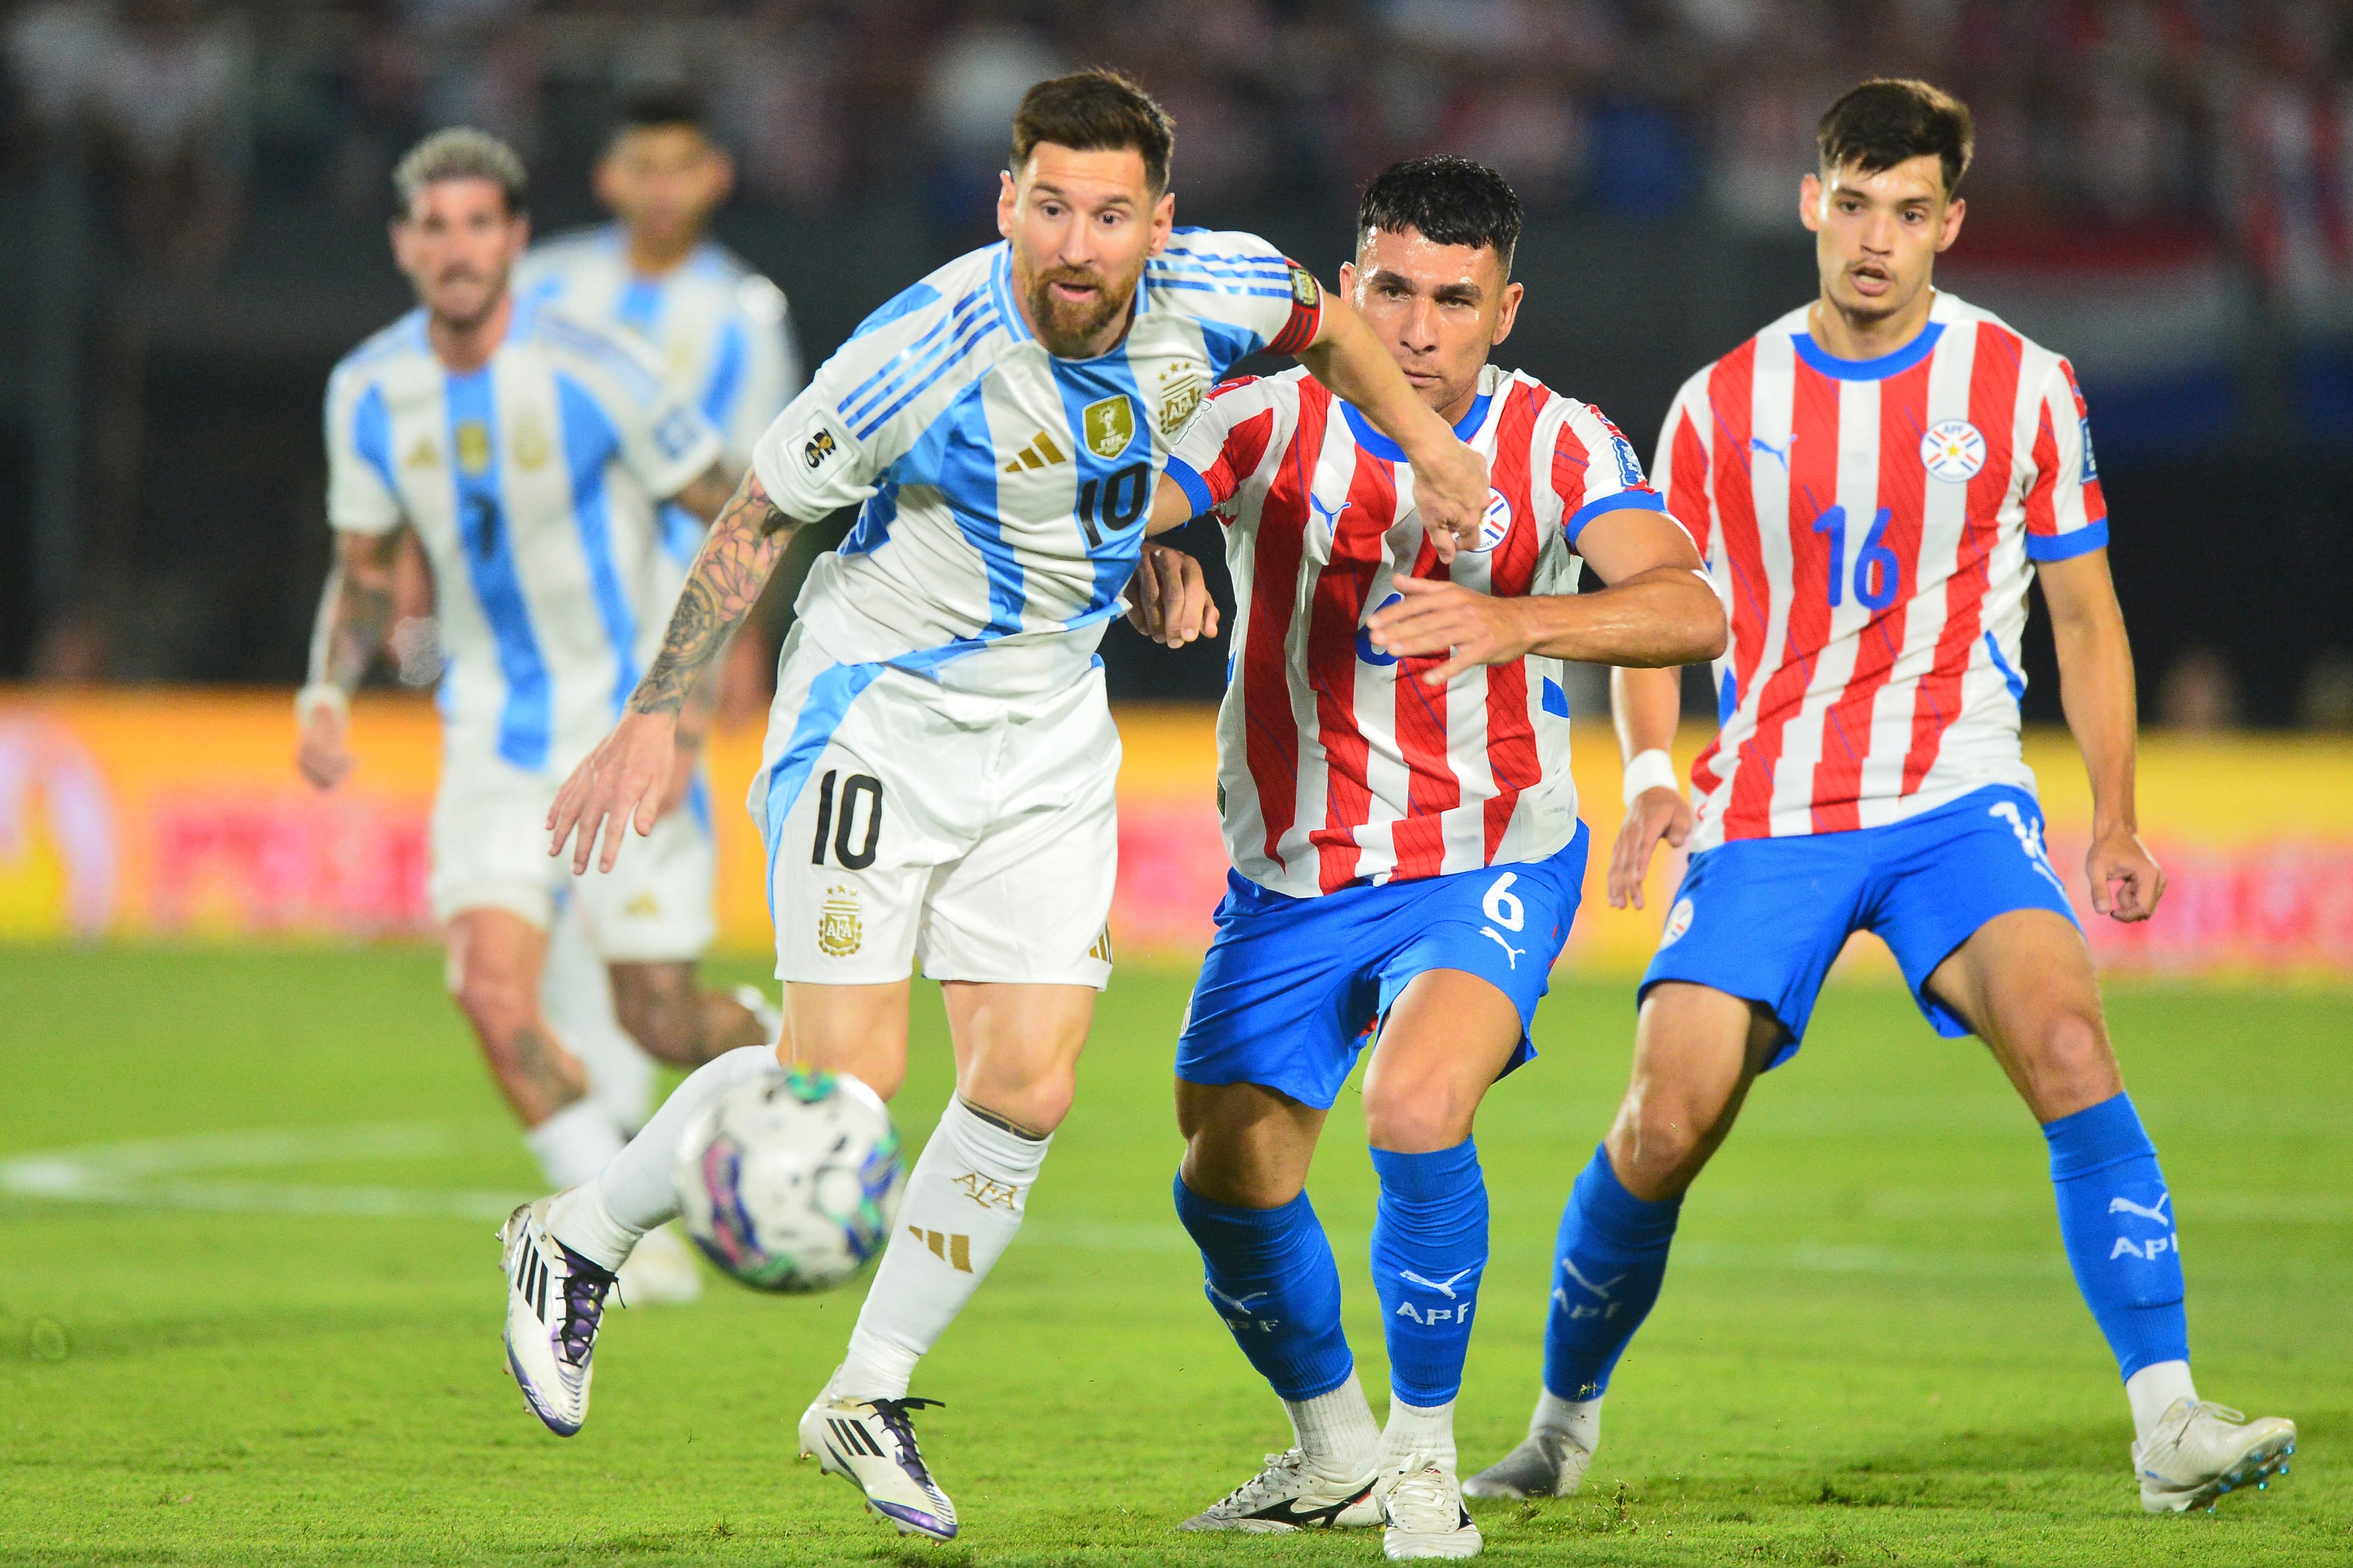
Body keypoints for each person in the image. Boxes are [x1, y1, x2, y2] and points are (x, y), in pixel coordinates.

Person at [511, 71, 1493, 1544]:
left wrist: (1424, 447)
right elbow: (761, 512)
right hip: (879, 721)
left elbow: (1334, 324)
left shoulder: (1217, 286)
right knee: (836, 1090)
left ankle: (871, 1387)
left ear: (1159, 223)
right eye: (1048, 207)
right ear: (1004, 205)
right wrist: (661, 712)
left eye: (1109, 214)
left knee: (1028, 1083)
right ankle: (574, 1234)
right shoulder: (922, 350)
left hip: (1044, 738)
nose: (1076, 244)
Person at [1462, 79, 2297, 1517]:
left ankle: (2168, 1422)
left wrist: (2114, 812)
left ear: (1949, 224)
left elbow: (2088, 618)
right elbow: (1660, 609)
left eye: (1909, 213)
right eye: (1853, 202)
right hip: (1772, 805)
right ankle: (1557, 1424)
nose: (1875, 237)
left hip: (1954, 795)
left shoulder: (2025, 384)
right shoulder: (1724, 402)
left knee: (2069, 1039)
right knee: (1665, 1120)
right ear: (1810, 200)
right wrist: (1654, 774)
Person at [1142, 156, 1725, 1561]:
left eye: (1453, 300)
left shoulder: (1562, 442)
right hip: (1289, 872)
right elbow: (1124, 502)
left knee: (1414, 1106)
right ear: (1348, 288)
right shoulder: (1264, 413)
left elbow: (1692, 605)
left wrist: (1520, 624)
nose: (1416, 327)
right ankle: (1333, 1446)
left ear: (1504, 308)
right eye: (1391, 289)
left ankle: (1421, 1458)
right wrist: (1151, 557)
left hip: (1490, 853)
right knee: (1223, 1177)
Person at [295, 128, 775, 1305]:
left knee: (660, 1014)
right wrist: (326, 686)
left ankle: (794, 1060)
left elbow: (742, 512)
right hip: (490, 744)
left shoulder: (596, 367)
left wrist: (693, 693)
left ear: (514, 238)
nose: (456, 248)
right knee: (488, 988)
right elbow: (365, 566)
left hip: (623, 737)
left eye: (478, 224)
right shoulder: (367, 389)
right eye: (434, 227)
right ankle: (613, 1242)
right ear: (405, 244)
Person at [507, 88, 808, 1267]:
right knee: (540, 945)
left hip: (652, 663)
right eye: (646, 165)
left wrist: (719, 659)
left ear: (716, 177)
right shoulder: (544, 286)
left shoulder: (741, 310)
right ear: (611, 178)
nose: (664, 187)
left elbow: (762, 500)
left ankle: (804, 1066)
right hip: (536, 660)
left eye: (685, 165)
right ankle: (614, 1210)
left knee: (640, 970)